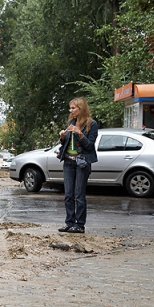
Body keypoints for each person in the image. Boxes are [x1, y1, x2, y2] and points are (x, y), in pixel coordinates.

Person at [57, 97, 98, 234]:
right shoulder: (71, 122)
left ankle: (79, 225)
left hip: (82, 162)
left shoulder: (91, 124)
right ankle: (69, 223)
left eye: (73, 108)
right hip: (68, 161)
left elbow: (90, 145)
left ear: (81, 108)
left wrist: (80, 133)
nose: (71, 110)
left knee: (79, 195)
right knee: (68, 194)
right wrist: (63, 137)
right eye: (71, 108)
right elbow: (65, 144)